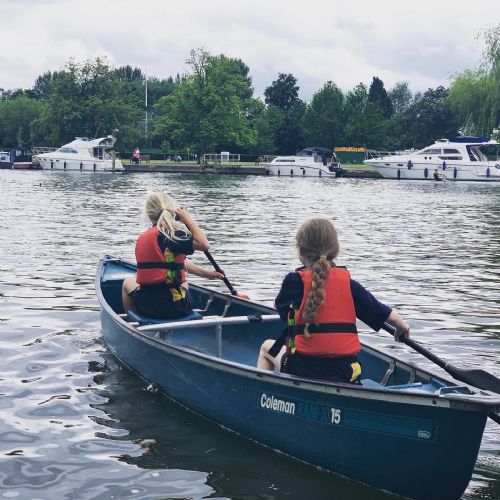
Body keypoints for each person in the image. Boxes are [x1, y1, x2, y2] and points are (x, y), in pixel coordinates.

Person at [257, 218, 410, 383]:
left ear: (301, 254)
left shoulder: (293, 281)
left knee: (267, 347)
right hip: (345, 372)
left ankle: (265, 395)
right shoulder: (350, 285)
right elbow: (389, 316)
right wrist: (402, 327)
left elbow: (282, 311)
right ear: (335, 251)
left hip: (302, 369)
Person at [122, 192, 224, 319]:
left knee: (127, 282)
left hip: (146, 306)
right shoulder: (175, 235)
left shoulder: (145, 237)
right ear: (172, 212)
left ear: (149, 214)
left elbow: (176, 263)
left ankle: (132, 322)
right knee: (183, 281)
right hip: (177, 307)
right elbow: (204, 244)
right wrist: (188, 219)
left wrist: (208, 274)